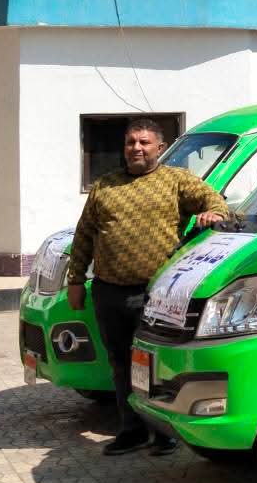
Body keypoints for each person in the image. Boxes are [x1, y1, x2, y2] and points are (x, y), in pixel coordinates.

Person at [67, 116, 230, 456]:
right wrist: (76, 280)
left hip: (156, 295)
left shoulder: (176, 180)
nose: (137, 148)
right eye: (131, 142)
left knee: (154, 365)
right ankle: (132, 431)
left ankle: (164, 432)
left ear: (160, 147)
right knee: (120, 363)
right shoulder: (105, 186)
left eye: (144, 142)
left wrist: (212, 215)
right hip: (109, 291)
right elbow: (84, 235)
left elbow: (216, 203)